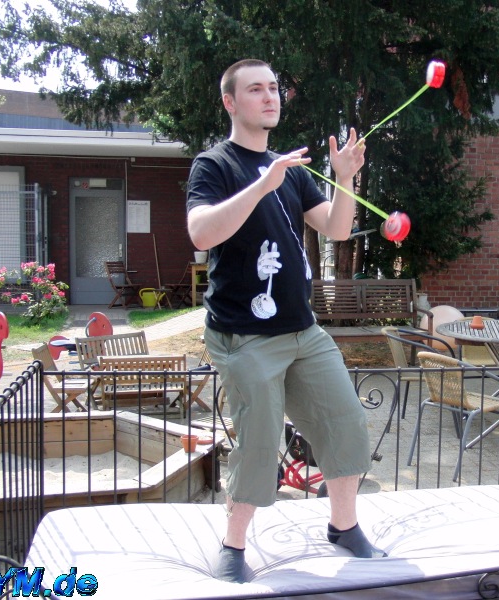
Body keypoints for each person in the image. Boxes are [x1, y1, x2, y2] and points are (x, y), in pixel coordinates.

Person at [186, 59, 384, 584]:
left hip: (303, 330)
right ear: (231, 102)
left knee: (344, 422)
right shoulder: (215, 165)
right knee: (259, 438)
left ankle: (344, 526)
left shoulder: (292, 169)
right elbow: (202, 234)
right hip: (243, 335)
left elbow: (337, 228)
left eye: (273, 87)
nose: (270, 96)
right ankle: (233, 545)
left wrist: (345, 179)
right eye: (255, 89)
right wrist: (260, 184)